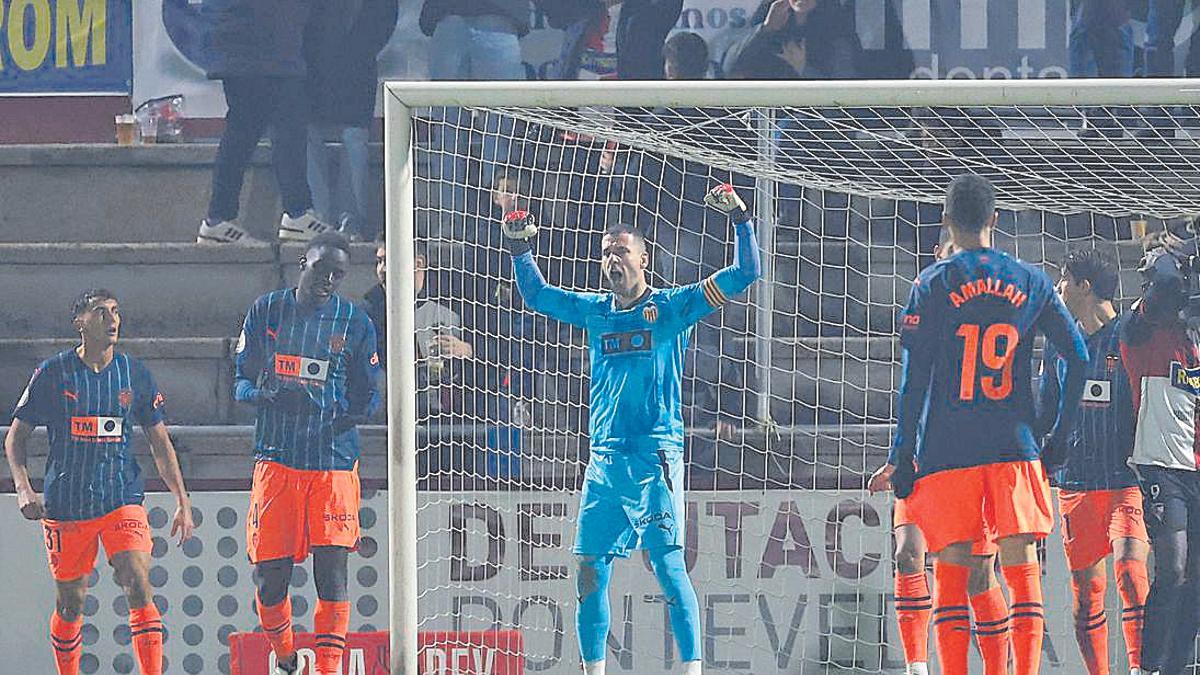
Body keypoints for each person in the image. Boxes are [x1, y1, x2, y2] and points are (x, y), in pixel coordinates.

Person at [499, 184, 761, 674]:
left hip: (654, 457)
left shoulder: (672, 307)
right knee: (589, 569)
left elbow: (748, 272)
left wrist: (741, 221)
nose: (611, 259)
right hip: (603, 461)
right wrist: (520, 248)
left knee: (666, 565)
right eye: (604, 253)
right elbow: (536, 295)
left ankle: (692, 670)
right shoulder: (595, 311)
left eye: (620, 250)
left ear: (644, 257)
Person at [870, 174, 1090, 675]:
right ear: (995, 219)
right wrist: (1056, 437)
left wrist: (904, 456)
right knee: (1020, 568)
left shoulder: (932, 283)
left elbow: (914, 382)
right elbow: (1077, 358)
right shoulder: (1030, 279)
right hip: (1013, 444)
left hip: (948, 449)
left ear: (947, 220)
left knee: (952, 575)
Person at [4, 289, 195, 675]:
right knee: (71, 602)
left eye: (116, 311)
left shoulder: (134, 374)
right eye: (101, 312)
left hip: (121, 497)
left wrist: (182, 499)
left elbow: (160, 442)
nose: (113, 319)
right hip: (67, 502)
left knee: (137, 579)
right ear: (80, 322)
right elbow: (15, 437)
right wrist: (23, 486)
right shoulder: (52, 374)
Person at [233, 232, 381, 675]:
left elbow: (368, 395)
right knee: (269, 579)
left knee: (332, 573)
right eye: (322, 269)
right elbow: (238, 380)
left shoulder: (355, 322)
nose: (329, 280)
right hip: (277, 460)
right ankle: (284, 657)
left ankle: (329, 669)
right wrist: (262, 394)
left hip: (332, 464)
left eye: (338, 274)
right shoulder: (267, 310)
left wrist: (349, 417)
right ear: (304, 262)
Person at [870, 230, 1000, 675]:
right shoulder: (924, 308)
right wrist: (899, 453)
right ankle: (917, 666)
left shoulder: (994, 313)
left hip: (973, 461)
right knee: (908, 552)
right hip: (924, 460)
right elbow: (912, 388)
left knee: (977, 577)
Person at [1037, 249, 1150, 675]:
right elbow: (1045, 410)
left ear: (1084, 287)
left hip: (1127, 477)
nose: (1058, 289)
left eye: (1063, 281)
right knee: (1086, 593)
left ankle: (1140, 667)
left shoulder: (1131, 335)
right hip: (1076, 482)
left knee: (1128, 568)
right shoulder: (1059, 344)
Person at [1120, 232, 1200, 674]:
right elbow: (1167, 281)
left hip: (1196, 464)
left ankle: (1178, 665)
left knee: (1196, 578)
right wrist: (1182, 252)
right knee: (1173, 567)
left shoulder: (1192, 334)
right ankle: (1146, 667)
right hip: (1158, 465)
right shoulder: (1141, 327)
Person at [197, 0, 335, 245]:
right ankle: (297, 212)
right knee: (284, 128)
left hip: (253, 45)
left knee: (245, 132)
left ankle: (219, 219)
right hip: (263, 46)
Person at [305, 0, 399, 242]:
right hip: (310, 66)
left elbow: (384, 16)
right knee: (304, 134)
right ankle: (319, 217)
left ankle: (351, 221)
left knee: (354, 138)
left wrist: (362, 48)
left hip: (357, 65)